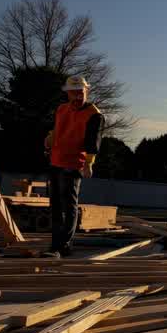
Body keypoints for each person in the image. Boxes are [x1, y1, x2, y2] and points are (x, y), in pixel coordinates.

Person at [43, 75, 103, 257]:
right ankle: (55, 245)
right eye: (73, 93)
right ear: (67, 94)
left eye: (80, 93)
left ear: (87, 92)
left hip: (74, 162)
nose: (77, 97)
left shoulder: (94, 115)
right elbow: (57, 129)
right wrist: (50, 138)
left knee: (68, 205)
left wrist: (89, 164)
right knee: (55, 205)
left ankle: (64, 245)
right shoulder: (62, 109)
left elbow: (94, 142)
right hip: (56, 160)